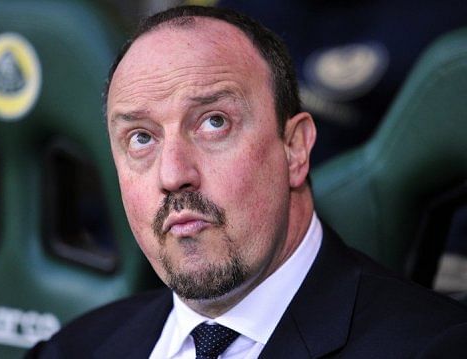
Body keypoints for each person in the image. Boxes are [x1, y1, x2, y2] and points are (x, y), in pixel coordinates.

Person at [27, 5, 467, 358]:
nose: (173, 174)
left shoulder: (435, 346)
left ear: (295, 148)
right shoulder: (73, 348)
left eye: (214, 123)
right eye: (141, 138)